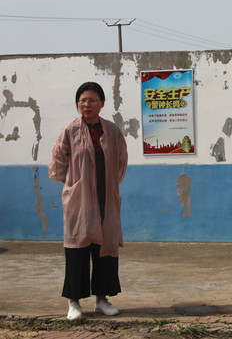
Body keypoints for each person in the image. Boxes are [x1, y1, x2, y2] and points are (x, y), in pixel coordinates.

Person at [48, 82, 128, 320]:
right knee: (78, 249)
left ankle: (102, 300)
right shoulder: (69, 131)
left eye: (92, 100)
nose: (87, 104)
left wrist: (110, 183)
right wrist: (74, 184)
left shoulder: (112, 131)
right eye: (82, 100)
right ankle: (74, 302)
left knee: (105, 250)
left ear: (102, 103)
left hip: (106, 200)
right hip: (79, 202)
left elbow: (121, 161)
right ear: (78, 104)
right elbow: (57, 163)